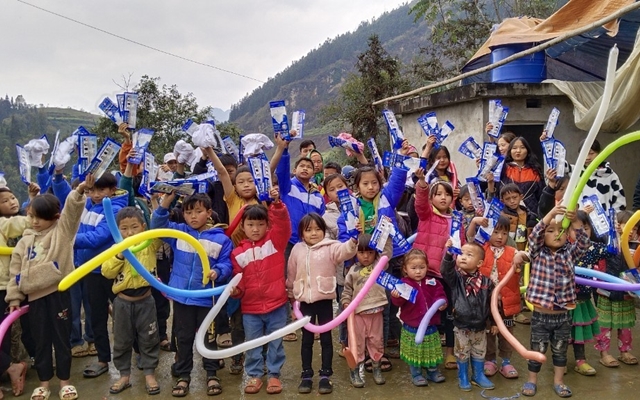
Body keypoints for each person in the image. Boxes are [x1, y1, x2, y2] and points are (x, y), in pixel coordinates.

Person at [6, 176, 91, 400]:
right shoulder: (24, 242)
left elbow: (72, 212)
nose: (35, 222)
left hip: (58, 294)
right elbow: (14, 272)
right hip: (33, 298)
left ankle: (65, 382)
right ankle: (44, 383)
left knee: (62, 340)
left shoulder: (62, 233)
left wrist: (79, 192)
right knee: (40, 342)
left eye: (40, 218)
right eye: (32, 216)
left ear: (54, 217)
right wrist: (14, 299)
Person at [151, 192, 233, 397]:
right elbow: (157, 226)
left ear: (209, 212)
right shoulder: (179, 233)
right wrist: (166, 201)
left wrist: (218, 272)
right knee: (183, 337)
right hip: (182, 297)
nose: (193, 216)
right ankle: (183, 375)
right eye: (188, 212)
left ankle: (212, 374)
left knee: (208, 337)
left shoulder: (221, 239)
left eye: (198, 211)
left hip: (207, 298)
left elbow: (227, 264)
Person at [52, 172, 128, 379]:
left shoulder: (115, 210)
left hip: (110, 270)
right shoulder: (85, 204)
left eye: (101, 190)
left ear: (112, 190)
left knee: (125, 315)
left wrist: (65, 240)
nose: (95, 194)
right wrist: (58, 176)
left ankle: (138, 354)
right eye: (91, 190)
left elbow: (97, 238)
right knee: (97, 317)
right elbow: (67, 198)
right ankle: (103, 359)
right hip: (89, 272)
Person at [520, 204, 589, 398]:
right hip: (541, 315)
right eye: (550, 231)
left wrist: (574, 221)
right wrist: (551, 214)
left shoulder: (570, 253)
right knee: (537, 350)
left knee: (560, 351)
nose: (557, 234)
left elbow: (583, 243)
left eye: (561, 230)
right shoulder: (537, 252)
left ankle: (559, 382)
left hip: (563, 316)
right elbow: (534, 237)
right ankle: (531, 380)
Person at [287, 213, 357, 394]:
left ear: (324, 231)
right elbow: (291, 274)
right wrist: (292, 298)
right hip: (304, 302)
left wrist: (353, 240)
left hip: (324, 300)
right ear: (301, 233)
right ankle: (306, 374)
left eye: (318, 229)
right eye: (308, 230)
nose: (314, 233)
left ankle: (326, 375)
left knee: (326, 340)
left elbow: (346, 251)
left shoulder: (330, 247)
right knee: (306, 341)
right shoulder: (297, 249)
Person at [230, 191, 291, 395]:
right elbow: (238, 281)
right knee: (253, 344)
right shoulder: (237, 253)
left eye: (260, 224)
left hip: (277, 305)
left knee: (276, 343)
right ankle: (255, 375)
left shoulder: (275, 242)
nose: (255, 229)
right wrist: (236, 291)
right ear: (242, 226)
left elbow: (283, 225)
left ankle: (274, 375)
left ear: (267, 225)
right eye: (250, 224)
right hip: (250, 308)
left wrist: (277, 205)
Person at [101, 207, 162, 396]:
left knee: (149, 338)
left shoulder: (149, 243)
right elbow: (106, 271)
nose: (129, 233)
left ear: (143, 227)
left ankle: (149, 374)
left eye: (134, 227)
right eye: (124, 228)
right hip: (122, 303)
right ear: (117, 230)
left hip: (146, 301)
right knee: (121, 340)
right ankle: (124, 375)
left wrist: (160, 206)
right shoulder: (114, 249)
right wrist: (120, 255)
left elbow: (160, 230)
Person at [413, 168, 460, 369]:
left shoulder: (458, 219)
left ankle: (450, 352)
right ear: (431, 198)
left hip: (450, 273)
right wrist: (423, 183)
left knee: (450, 314)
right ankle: (424, 352)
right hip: (429, 272)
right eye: (438, 194)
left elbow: (462, 243)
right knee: (426, 312)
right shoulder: (427, 215)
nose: (443, 197)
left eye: (447, 194)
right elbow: (420, 203)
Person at [0, 183, 39, 398]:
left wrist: (39, 208)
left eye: (12, 198)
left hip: (7, 285)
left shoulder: (4, 224)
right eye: (4, 201)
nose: (11, 202)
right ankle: (9, 367)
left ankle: (30, 362)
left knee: (19, 329)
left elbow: (24, 222)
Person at [441, 241, 495, 391]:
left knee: (479, 351)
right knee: (462, 352)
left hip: (480, 326)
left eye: (469, 255)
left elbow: (493, 304)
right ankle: (463, 376)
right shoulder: (456, 278)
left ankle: (478, 375)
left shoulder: (487, 282)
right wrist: (448, 254)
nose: (463, 257)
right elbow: (445, 270)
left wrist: (494, 322)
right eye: (461, 254)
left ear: (480, 263)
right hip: (461, 325)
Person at [341, 233, 392, 388]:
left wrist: (387, 232)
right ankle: (355, 371)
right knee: (357, 344)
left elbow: (387, 252)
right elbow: (347, 291)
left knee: (376, 342)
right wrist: (346, 303)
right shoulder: (352, 270)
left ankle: (376, 369)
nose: (366, 256)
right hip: (358, 314)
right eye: (362, 252)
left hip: (376, 313)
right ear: (356, 252)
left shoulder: (379, 265)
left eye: (370, 252)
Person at [391, 249, 447, 387]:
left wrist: (442, 303)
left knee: (431, 351)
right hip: (412, 326)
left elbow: (441, 295)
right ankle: (416, 374)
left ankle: (432, 372)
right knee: (415, 352)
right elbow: (398, 303)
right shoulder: (403, 285)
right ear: (405, 269)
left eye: (422, 267)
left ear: (427, 267)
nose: (418, 271)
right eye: (414, 268)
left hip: (430, 325)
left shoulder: (433, 282)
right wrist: (396, 296)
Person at [477, 216, 521, 379]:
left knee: (506, 332)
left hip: (506, 303)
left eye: (504, 233)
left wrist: (522, 257)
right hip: (487, 302)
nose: (500, 237)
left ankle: (506, 361)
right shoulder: (482, 250)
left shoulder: (513, 252)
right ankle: (490, 360)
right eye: (495, 232)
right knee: (488, 332)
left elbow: (524, 259)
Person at [594, 212, 638, 369]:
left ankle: (624, 351)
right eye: (627, 226)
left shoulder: (636, 246)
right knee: (605, 324)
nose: (631, 231)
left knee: (625, 325)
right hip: (608, 289)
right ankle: (604, 353)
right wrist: (614, 235)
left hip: (626, 291)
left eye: (635, 228)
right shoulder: (609, 242)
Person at [571, 210, 607, 376]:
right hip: (563, 300)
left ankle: (581, 360)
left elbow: (612, 250)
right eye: (576, 229)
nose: (582, 232)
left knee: (579, 330)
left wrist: (615, 234)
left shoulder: (593, 248)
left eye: (585, 228)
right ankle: (559, 361)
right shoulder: (563, 248)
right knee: (561, 332)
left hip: (583, 298)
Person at [496, 137, 545, 214]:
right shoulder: (502, 169)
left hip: (531, 215)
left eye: (522, 147)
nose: (518, 151)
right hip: (506, 215)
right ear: (510, 151)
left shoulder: (535, 171)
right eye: (514, 148)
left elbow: (542, 197)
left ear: (527, 151)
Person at [577, 139, 626, 212]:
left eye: (591, 153)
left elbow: (619, 204)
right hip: (579, 218)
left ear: (599, 153)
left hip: (605, 218)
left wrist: (613, 218)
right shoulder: (575, 173)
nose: (587, 157)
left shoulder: (610, 176)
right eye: (584, 153)